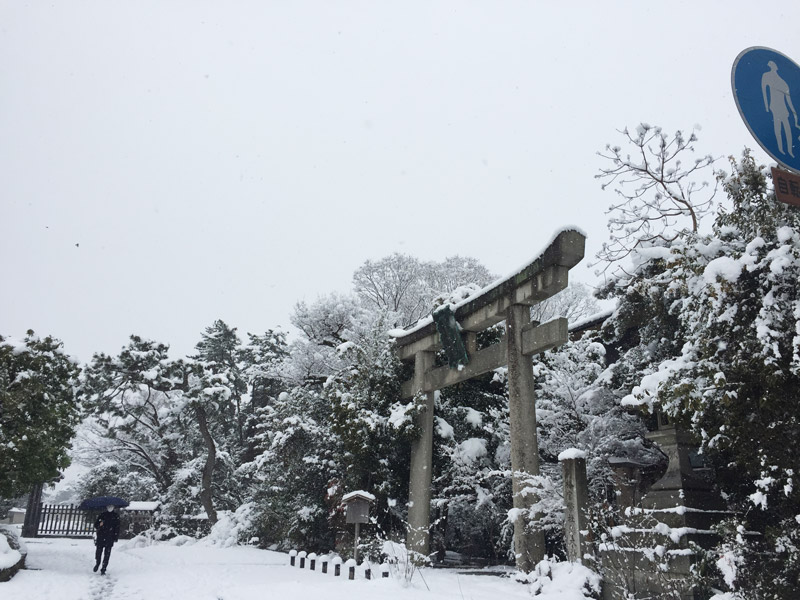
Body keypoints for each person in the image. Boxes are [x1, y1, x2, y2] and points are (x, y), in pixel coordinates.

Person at [93, 505, 120, 574]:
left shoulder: (115, 516)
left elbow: (117, 527)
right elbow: (96, 525)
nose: (110, 508)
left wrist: (115, 537)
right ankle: (97, 563)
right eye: (109, 507)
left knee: (107, 554)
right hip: (101, 536)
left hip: (110, 537)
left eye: (111, 507)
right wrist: (100, 524)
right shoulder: (102, 515)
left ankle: (104, 568)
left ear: (114, 508)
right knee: (98, 552)